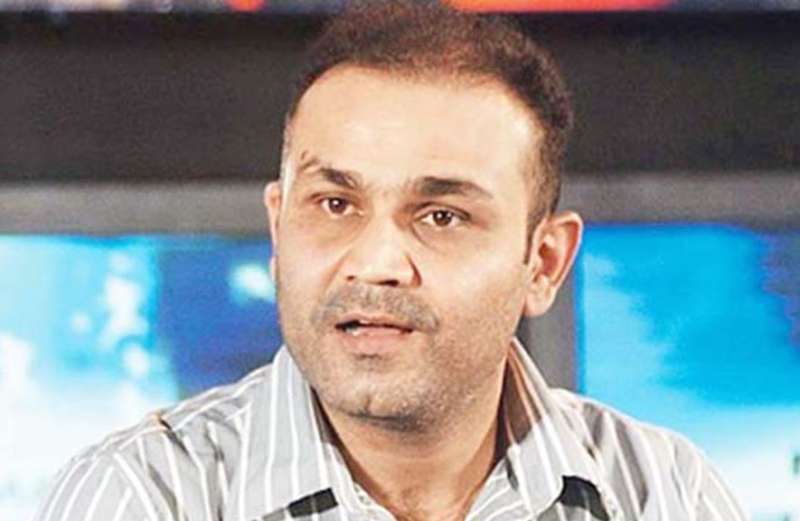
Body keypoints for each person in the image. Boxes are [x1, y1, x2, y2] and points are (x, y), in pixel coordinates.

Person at [35, 2, 747, 521]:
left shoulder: (664, 494)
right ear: (279, 230)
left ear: (544, 263)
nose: (375, 263)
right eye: (335, 204)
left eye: (441, 216)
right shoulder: (141, 495)